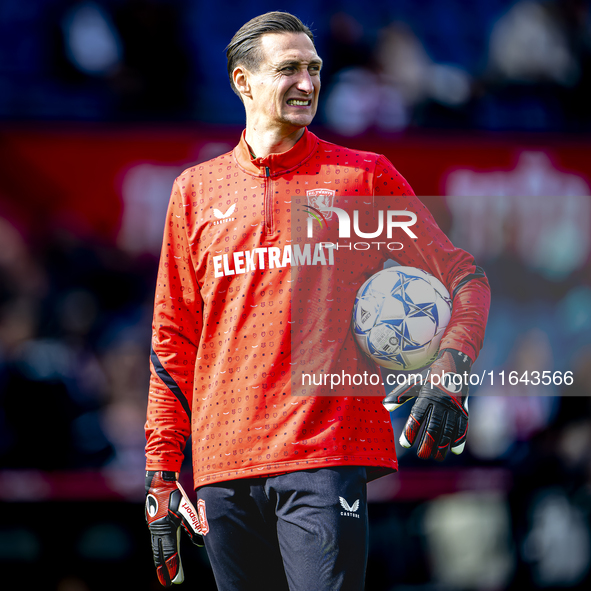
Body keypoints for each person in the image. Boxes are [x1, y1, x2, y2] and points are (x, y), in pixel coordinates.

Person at [144, 11, 491, 590]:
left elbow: (465, 278)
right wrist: (159, 475)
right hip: (221, 469)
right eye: (289, 70)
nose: (307, 83)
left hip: (324, 457)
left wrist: (450, 366)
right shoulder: (193, 192)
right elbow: (171, 342)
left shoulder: (363, 179)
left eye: (314, 69)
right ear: (241, 81)